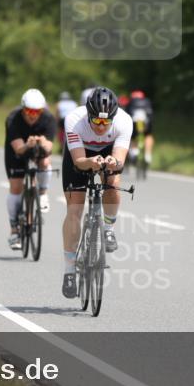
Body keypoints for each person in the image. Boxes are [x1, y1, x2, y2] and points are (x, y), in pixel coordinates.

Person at [60, 87, 132, 298]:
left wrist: (113, 162)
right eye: (97, 122)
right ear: (88, 115)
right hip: (81, 156)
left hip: (108, 152)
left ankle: (108, 227)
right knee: (74, 210)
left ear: (113, 118)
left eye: (106, 122)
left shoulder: (124, 121)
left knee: (113, 181)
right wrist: (90, 162)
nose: (101, 127)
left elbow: (119, 160)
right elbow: (79, 161)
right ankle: (69, 270)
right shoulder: (74, 119)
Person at [4, 89, 56, 250]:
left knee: (45, 161)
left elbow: (49, 147)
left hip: (37, 151)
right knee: (16, 187)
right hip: (17, 153)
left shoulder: (48, 118)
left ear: (42, 110)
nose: (33, 115)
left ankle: (42, 193)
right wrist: (28, 144)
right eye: (29, 111)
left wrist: (41, 142)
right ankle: (14, 229)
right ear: (22, 109)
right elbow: (19, 149)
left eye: (37, 112)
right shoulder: (13, 119)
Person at [126, 89, 154, 166]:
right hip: (146, 122)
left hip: (134, 122)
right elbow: (151, 115)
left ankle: (134, 152)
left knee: (132, 136)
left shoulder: (130, 102)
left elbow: (126, 114)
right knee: (148, 135)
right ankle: (148, 155)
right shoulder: (147, 101)